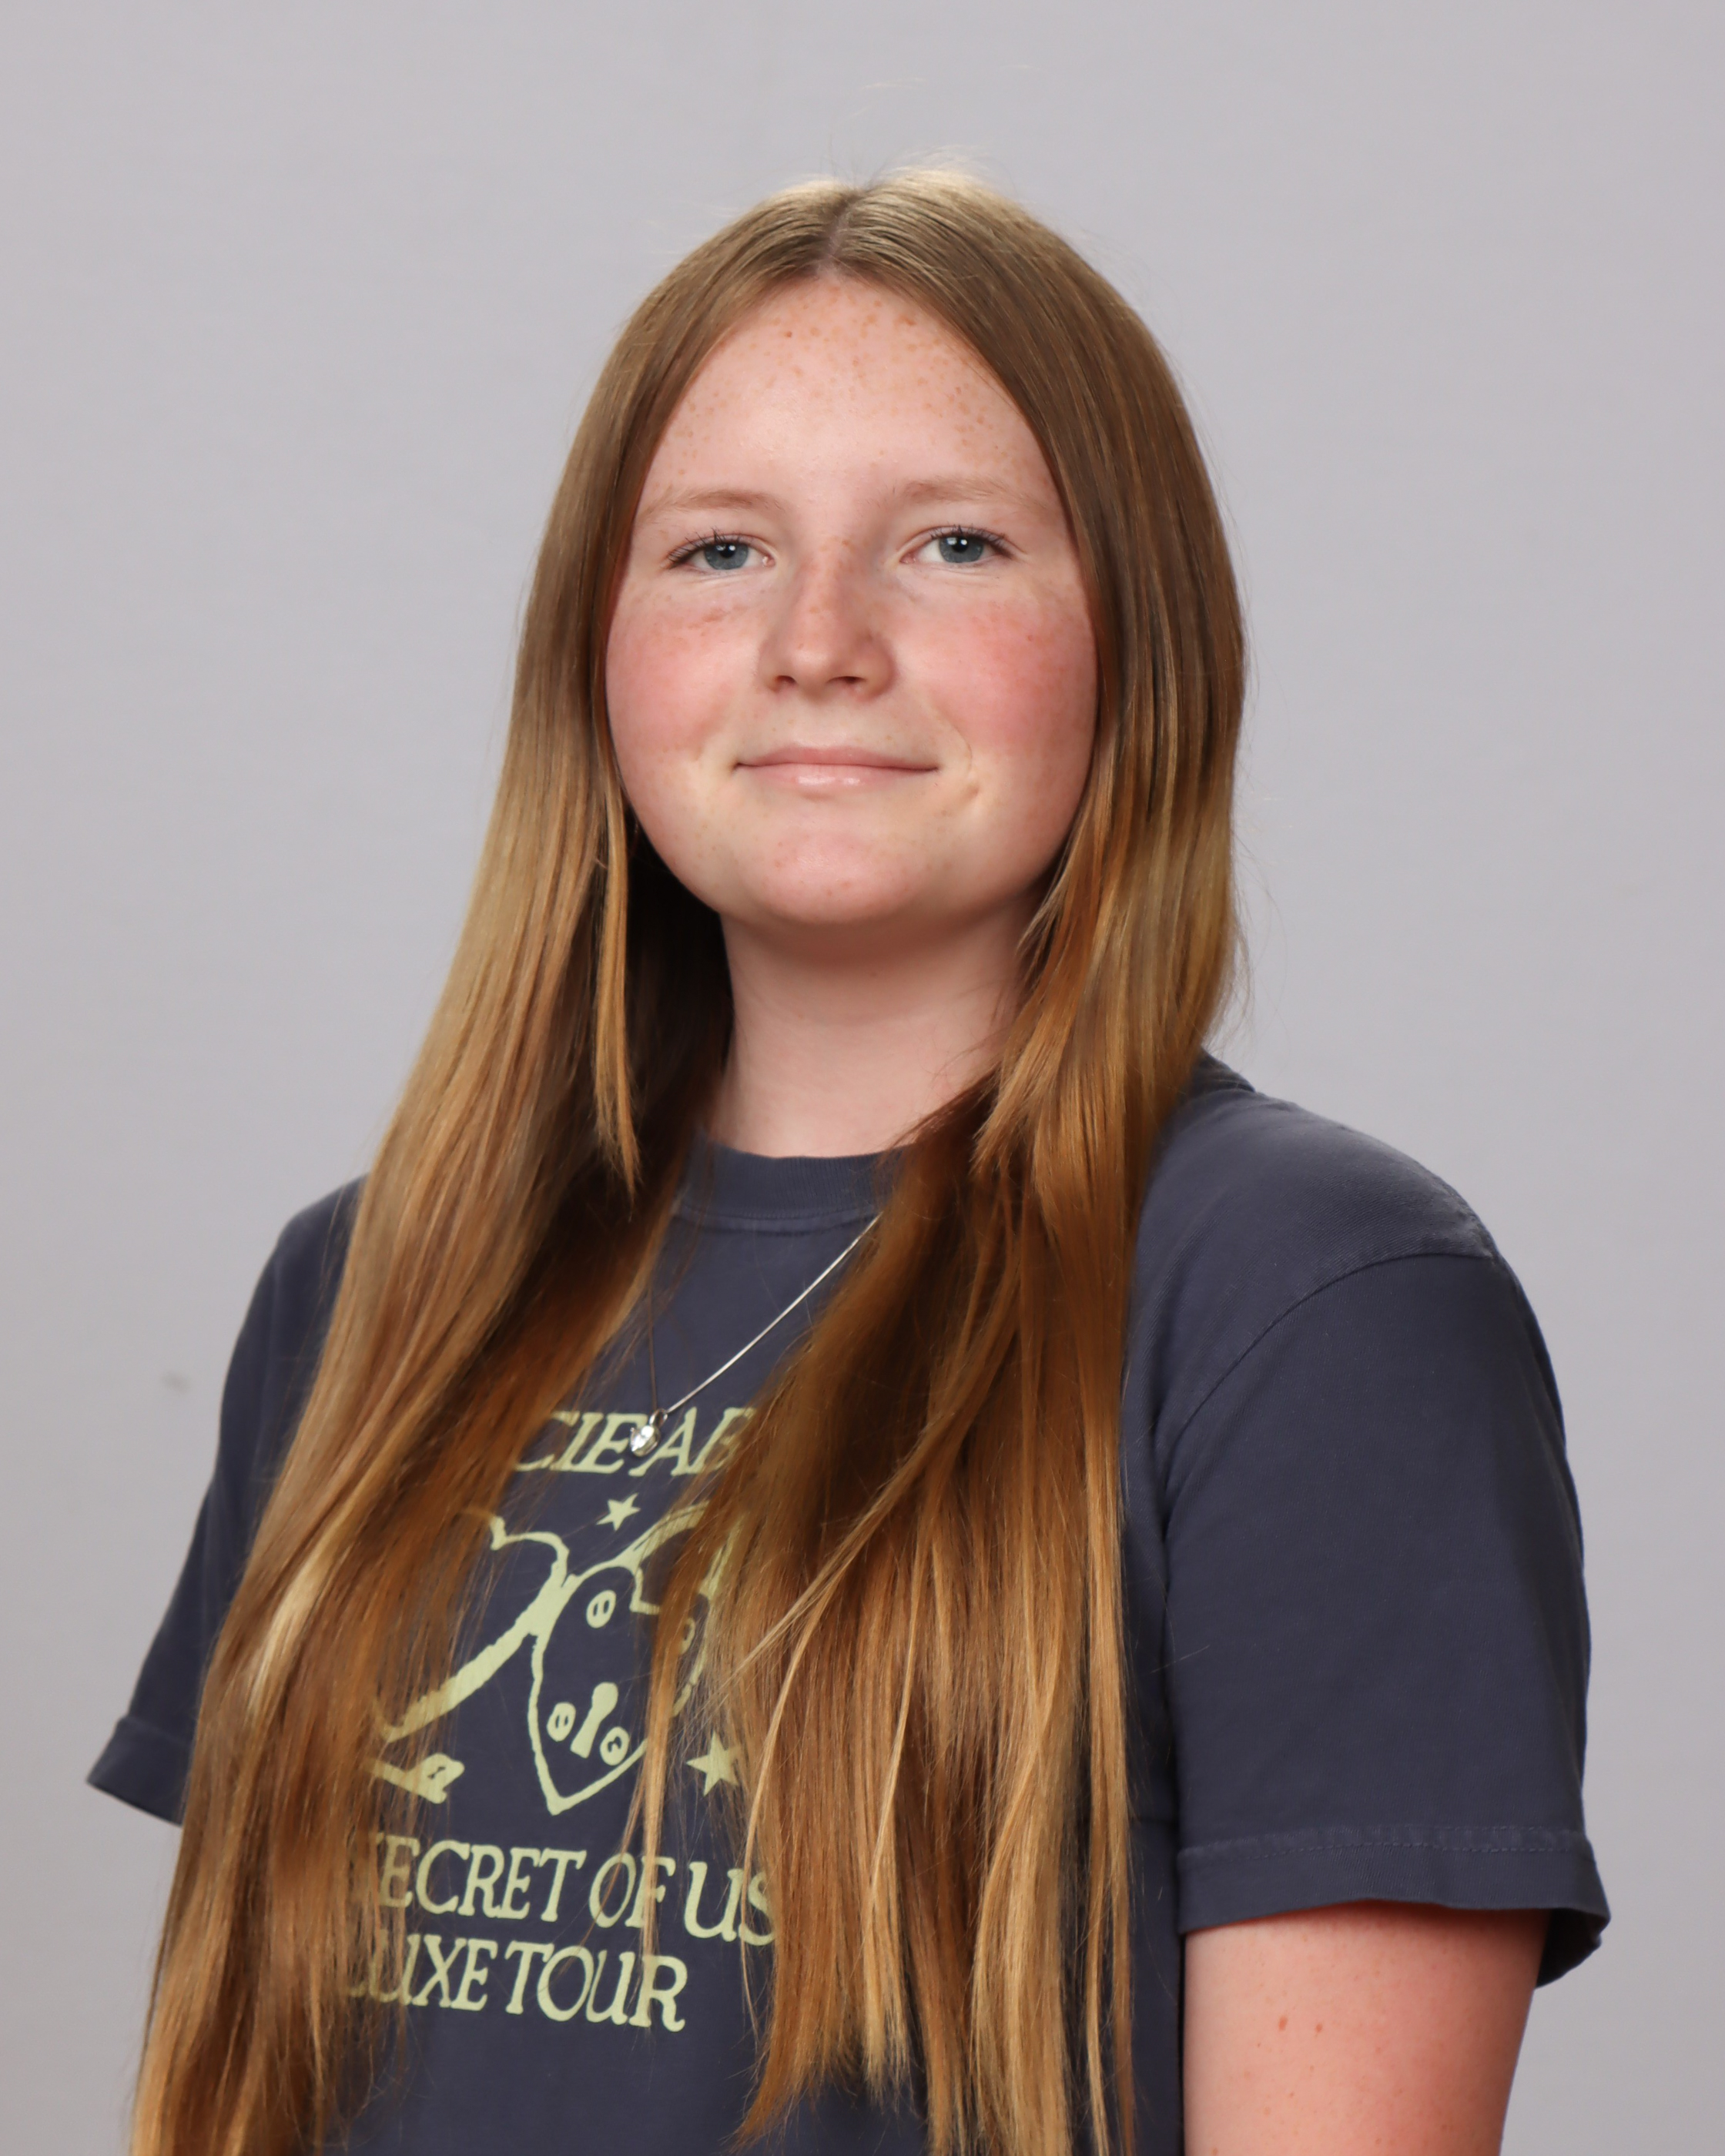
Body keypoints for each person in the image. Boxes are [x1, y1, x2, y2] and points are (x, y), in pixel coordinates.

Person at [91, 171, 1606, 2156]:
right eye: (720, 550)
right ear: (596, 647)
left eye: (954, 544)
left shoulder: (1316, 1310)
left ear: (1136, 639)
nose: (820, 643)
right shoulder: (375, 1283)